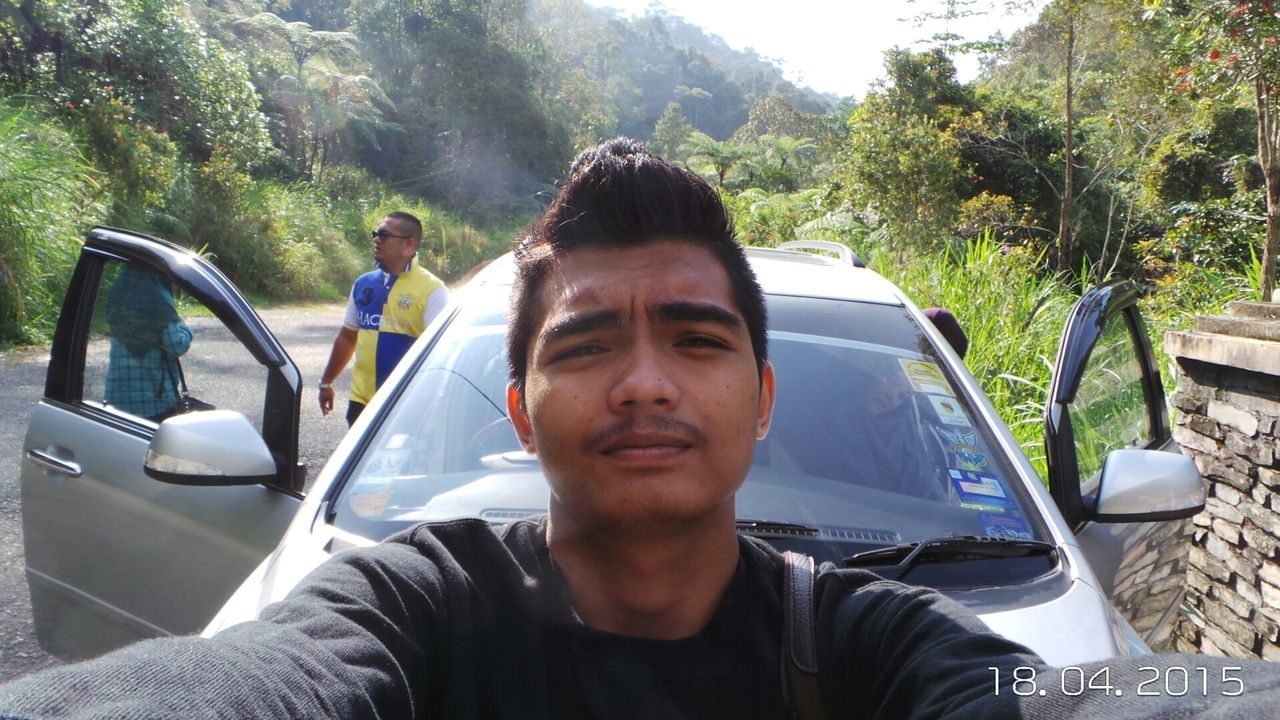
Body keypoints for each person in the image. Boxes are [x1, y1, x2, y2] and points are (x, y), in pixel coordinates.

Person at [3, 139, 1279, 718]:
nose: (646, 381)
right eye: (587, 342)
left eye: (697, 338)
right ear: (520, 411)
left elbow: (1086, 695)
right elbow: (232, 683)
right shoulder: (408, 608)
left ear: (760, 401)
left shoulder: (868, 640)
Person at [318, 211, 450, 425]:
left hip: (406, 403)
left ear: (409, 245)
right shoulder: (363, 283)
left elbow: (440, 354)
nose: (377, 239)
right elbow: (347, 337)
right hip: (361, 402)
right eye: (376, 234)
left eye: (384, 235)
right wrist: (326, 383)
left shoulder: (433, 290)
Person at [103, 265, 193, 420]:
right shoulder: (158, 301)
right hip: (154, 404)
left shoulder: (118, 296)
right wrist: (184, 327)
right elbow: (176, 345)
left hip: (116, 403)